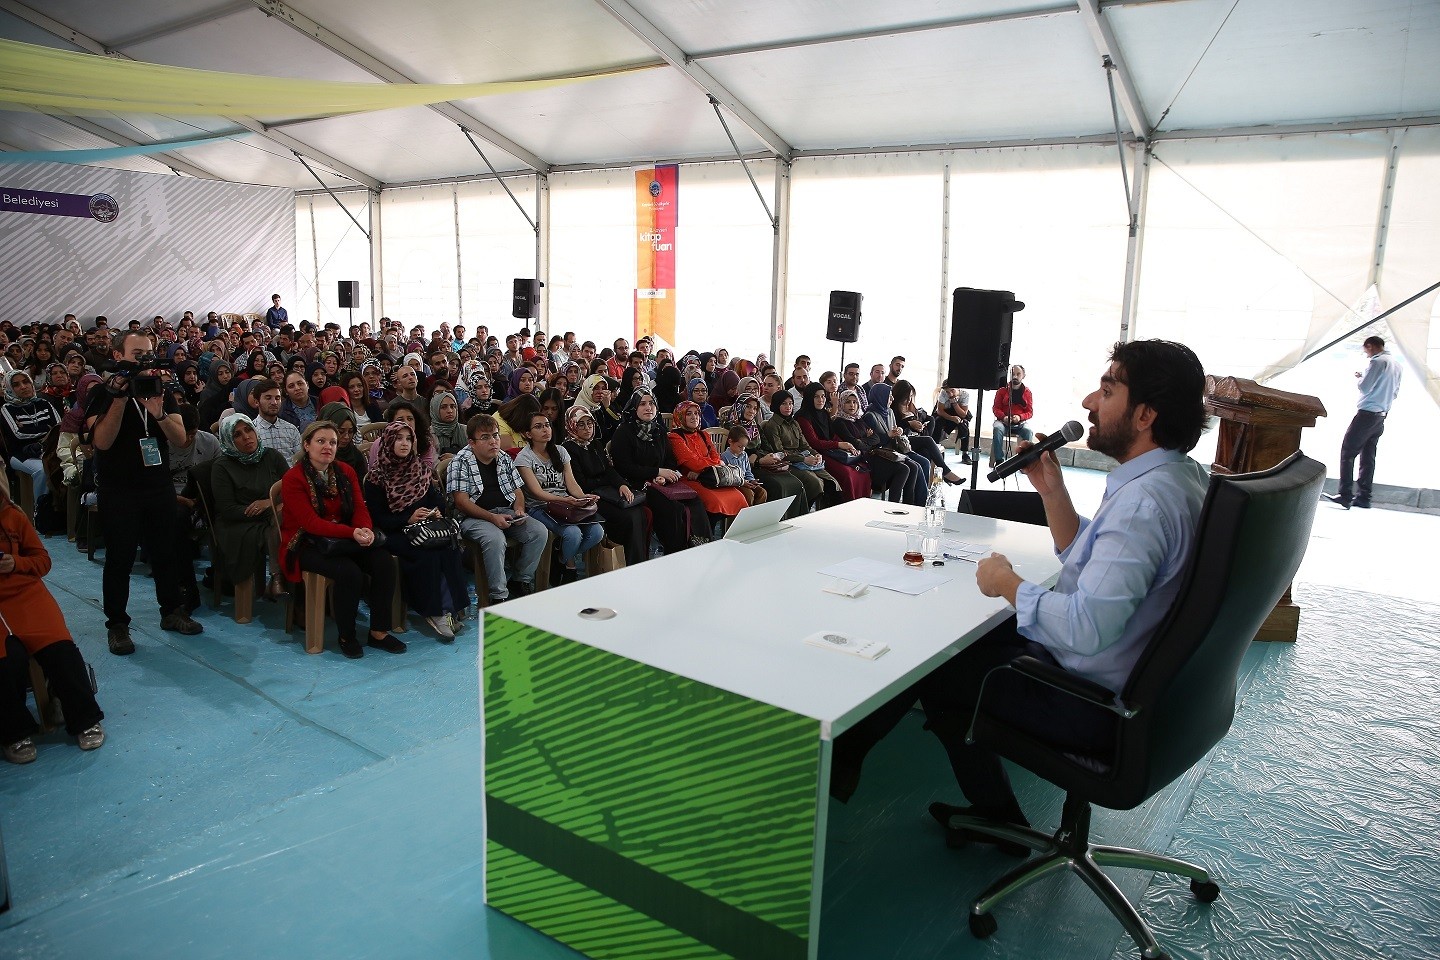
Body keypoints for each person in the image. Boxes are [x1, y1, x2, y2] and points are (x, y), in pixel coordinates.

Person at [831, 340, 1211, 848]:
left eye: (1107, 389)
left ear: (1144, 414)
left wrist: (1008, 584)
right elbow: (1095, 567)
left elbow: (1085, 626)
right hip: (1143, 687)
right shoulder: (1178, 479)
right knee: (956, 642)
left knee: (937, 668)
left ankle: (846, 769)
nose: (1088, 405)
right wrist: (1052, 490)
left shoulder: (1144, 504)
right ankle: (855, 763)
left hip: (1093, 704)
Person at [87, 331, 203, 653]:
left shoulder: (163, 390)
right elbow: (101, 442)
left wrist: (159, 413)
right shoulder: (102, 393)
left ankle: (172, 611)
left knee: (166, 552)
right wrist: (120, 401)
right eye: (137, 354)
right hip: (118, 490)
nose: (145, 360)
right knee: (120, 559)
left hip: (158, 487)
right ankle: (118, 625)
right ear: (118, 355)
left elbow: (181, 439)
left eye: (148, 354)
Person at [0, 472, 106, 764]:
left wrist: (15, 563)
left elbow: (43, 561)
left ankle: (84, 718)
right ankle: (14, 732)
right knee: (7, 660)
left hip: (25, 593)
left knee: (60, 648)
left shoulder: (13, 516)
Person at [278, 421, 403, 660]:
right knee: (349, 573)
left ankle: (378, 632)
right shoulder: (293, 478)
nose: (328, 447)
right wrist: (352, 533)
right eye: (321, 441)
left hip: (343, 537)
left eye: (332, 442)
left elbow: (359, 506)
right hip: (305, 543)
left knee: (383, 561)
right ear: (307, 445)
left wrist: (364, 529)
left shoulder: (345, 470)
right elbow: (310, 523)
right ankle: (347, 635)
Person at [363, 421, 469, 640]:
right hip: (395, 532)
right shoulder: (376, 477)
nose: (404, 443)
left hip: (425, 528)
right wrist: (407, 518)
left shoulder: (419, 468)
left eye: (408, 439)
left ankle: (452, 608)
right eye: (399, 439)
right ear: (389, 442)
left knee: (448, 547)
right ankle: (435, 612)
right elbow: (377, 518)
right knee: (426, 553)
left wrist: (434, 513)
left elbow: (437, 501)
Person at [447, 413, 548, 602]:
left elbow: (517, 491)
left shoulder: (503, 457)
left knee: (539, 532)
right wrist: (492, 518)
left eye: (495, 435)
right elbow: (462, 502)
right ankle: (498, 596)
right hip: (472, 518)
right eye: (485, 437)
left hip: (506, 511)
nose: (494, 441)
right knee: (495, 538)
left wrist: (519, 509)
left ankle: (519, 580)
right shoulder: (459, 462)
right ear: (472, 442)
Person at [610, 390, 709, 554]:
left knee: (695, 501)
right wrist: (656, 472)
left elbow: (670, 461)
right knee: (673, 508)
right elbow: (624, 467)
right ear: (634, 408)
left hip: (661, 483)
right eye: (642, 404)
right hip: (637, 484)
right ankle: (675, 553)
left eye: (651, 403)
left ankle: (700, 548)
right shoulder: (624, 432)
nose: (648, 407)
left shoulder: (659, 431)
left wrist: (664, 476)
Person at [515, 412, 604, 584]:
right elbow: (536, 493)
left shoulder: (561, 451)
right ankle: (568, 564)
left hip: (566, 506)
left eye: (547, 425)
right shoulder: (524, 458)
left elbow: (571, 484)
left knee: (597, 532)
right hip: (540, 507)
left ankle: (561, 558)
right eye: (538, 427)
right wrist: (566, 500)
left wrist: (584, 497)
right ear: (528, 434)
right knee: (573, 534)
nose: (545, 430)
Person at [211, 413, 289, 601]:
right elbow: (227, 509)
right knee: (277, 526)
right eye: (237, 434)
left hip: (272, 513)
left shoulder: (271, 456)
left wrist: (268, 503)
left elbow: (293, 488)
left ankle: (280, 580)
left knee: (280, 522)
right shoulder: (222, 466)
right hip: (239, 522)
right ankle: (280, 580)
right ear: (229, 440)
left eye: (248, 430)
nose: (246, 436)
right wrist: (266, 509)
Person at [561, 405, 647, 567]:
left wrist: (621, 484)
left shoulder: (595, 444)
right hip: (588, 497)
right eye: (581, 424)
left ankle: (637, 562)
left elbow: (608, 470)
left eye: (590, 423)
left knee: (638, 511)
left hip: (606, 492)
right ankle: (622, 563)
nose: (587, 428)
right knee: (626, 517)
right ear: (572, 425)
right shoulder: (568, 449)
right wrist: (606, 481)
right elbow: (582, 483)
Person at [1325, 335, 1401, 510]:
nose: (1366, 353)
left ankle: (1345, 495)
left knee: (1348, 452)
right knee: (1368, 456)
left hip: (1367, 413)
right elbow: (1395, 393)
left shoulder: (1377, 362)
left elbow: (1364, 387)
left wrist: (1361, 378)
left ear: (1370, 346)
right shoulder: (1397, 365)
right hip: (1382, 415)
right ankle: (1364, 497)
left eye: (1366, 349)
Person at [668, 400, 748, 527]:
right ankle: (707, 536)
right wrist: (709, 465)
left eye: (696, 413)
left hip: (710, 477)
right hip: (689, 479)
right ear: (680, 416)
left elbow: (715, 456)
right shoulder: (675, 437)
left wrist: (704, 468)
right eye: (689, 414)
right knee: (715, 502)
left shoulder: (704, 434)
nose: (694, 417)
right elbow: (694, 463)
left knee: (739, 497)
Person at [759, 390, 840, 511]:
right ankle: (804, 511)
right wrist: (804, 459)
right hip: (789, 463)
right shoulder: (772, 426)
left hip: (803, 460)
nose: (788, 407)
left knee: (831, 480)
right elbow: (779, 453)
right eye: (784, 404)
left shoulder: (794, 423)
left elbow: (805, 445)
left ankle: (826, 512)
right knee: (815, 482)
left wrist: (816, 454)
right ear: (776, 405)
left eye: (791, 403)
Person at [832, 388, 914, 503]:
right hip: (863, 460)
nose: (852, 405)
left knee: (909, 468)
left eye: (855, 402)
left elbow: (876, 438)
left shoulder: (858, 419)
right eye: (848, 402)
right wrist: (866, 440)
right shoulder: (839, 422)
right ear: (841, 403)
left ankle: (902, 505)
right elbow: (855, 443)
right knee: (903, 470)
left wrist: (863, 440)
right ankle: (892, 507)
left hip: (871, 455)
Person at [2, 370, 62, 522]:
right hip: (21, 455)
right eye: (16, 385)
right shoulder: (7, 409)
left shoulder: (44, 403)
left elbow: (58, 427)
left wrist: (31, 431)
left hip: (47, 450)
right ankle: (41, 512)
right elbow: (17, 435)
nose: (23, 387)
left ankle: (60, 510)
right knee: (42, 470)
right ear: (9, 389)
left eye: (26, 382)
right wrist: (45, 431)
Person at [892, 379, 965, 485]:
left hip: (913, 438)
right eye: (906, 397)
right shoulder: (893, 409)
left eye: (910, 396)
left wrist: (918, 422)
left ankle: (927, 486)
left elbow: (923, 417)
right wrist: (908, 424)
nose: (908, 400)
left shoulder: (910, 406)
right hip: (901, 441)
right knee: (928, 441)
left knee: (927, 452)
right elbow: (895, 428)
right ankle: (946, 472)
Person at [249, 377, 302, 463]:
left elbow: (300, 461)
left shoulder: (291, 430)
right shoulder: (251, 431)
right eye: (268, 398)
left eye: (277, 398)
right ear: (256, 402)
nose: (274, 402)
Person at [720, 426, 769, 507]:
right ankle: (747, 516)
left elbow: (748, 471)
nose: (742, 449)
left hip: (746, 482)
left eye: (744, 447)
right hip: (735, 484)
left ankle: (756, 513)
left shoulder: (744, 455)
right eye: (739, 446)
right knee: (749, 495)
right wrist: (743, 483)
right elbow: (728, 478)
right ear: (730, 441)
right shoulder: (724, 457)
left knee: (762, 492)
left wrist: (752, 480)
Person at [991, 364, 1033, 455]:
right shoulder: (1002, 391)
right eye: (1013, 374)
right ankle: (999, 460)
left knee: (1028, 431)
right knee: (997, 428)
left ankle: (1024, 460)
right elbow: (996, 408)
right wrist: (1004, 417)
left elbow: (1030, 412)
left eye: (1018, 374)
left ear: (1023, 376)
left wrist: (1020, 417)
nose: (1015, 376)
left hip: (1020, 423)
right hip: (1003, 422)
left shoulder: (1027, 392)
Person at [931, 380, 974, 464]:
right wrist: (951, 418)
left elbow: (963, 414)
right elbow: (940, 411)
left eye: (952, 390)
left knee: (964, 424)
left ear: (958, 388)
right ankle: (934, 447)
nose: (950, 394)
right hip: (945, 413)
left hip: (958, 412)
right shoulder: (943, 393)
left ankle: (965, 453)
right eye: (947, 392)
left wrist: (954, 403)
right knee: (938, 422)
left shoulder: (964, 395)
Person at [429, 390, 467, 458]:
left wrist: (454, 457)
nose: (450, 411)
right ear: (435, 410)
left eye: (453, 406)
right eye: (443, 407)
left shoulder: (467, 431)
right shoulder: (428, 434)